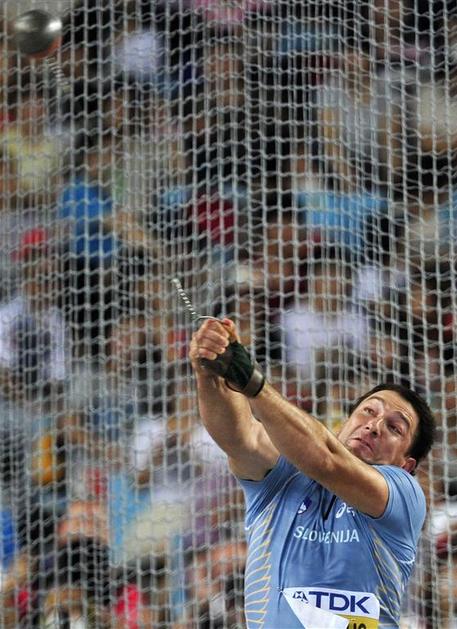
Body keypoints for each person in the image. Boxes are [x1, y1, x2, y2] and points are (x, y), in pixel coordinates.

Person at [189, 318, 436, 628]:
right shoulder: (285, 474)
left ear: (406, 465)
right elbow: (241, 437)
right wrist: (210, 372)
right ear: (346, 421)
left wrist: (252, 382)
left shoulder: (404, 494)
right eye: (368, 411)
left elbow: (326, 460)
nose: (374, 426)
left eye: (394, 428)